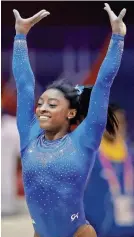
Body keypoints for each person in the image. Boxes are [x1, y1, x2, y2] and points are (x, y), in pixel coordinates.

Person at [12, 3, 126, 237]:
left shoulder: (84, 140)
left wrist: (117, 38)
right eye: (41, 103)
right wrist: (20, 36)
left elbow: (102, 84)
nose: (42, 108)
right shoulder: (28, 134)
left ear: (70, 113)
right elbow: (24, 85)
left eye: (52, 105)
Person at [84, 105, 134, 237]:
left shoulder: (131, 154)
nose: (116, 126)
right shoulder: (88, 155)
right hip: (100, 230)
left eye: (120, 122)